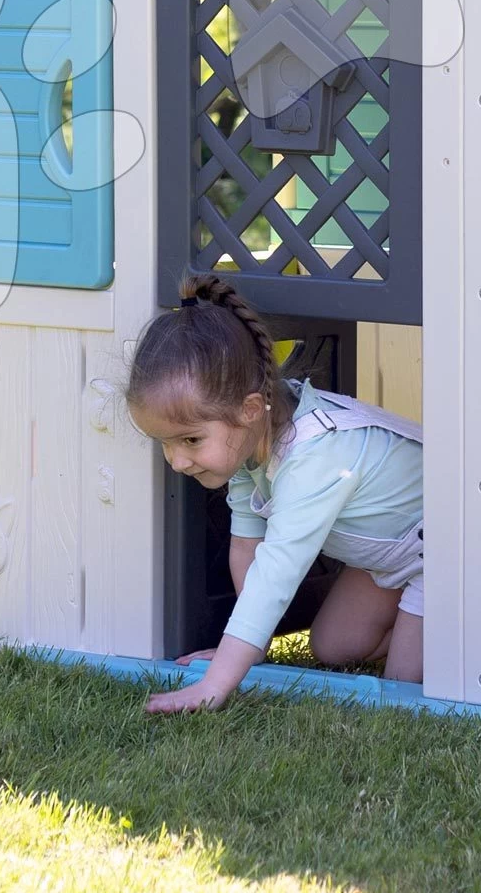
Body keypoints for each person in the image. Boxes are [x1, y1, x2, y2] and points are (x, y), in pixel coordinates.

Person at [126, 272, 424, 715]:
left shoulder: (313, 458)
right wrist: (250, 648)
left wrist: (216, 683)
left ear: (249, 409)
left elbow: (275, 574)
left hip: (442, 553)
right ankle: (417, 625)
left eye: (190, 440)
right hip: (389, 559)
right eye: (165, 443)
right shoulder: (253, 438)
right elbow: (247, 546)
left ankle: (444, 623)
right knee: (332, 647)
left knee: (403, 684)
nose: (177, 461)